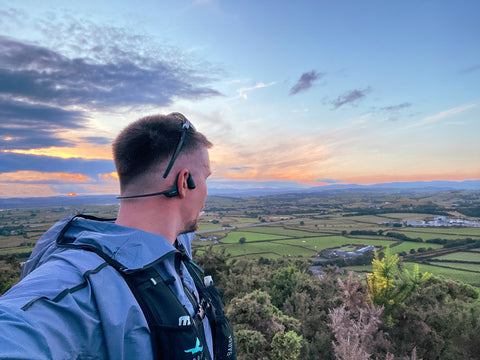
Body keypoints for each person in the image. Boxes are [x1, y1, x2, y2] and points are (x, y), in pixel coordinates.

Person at [0, 113, 235, 360]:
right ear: (184, 181)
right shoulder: (78, 284)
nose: (207, 193)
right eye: (206, 178)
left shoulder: (168, 245)